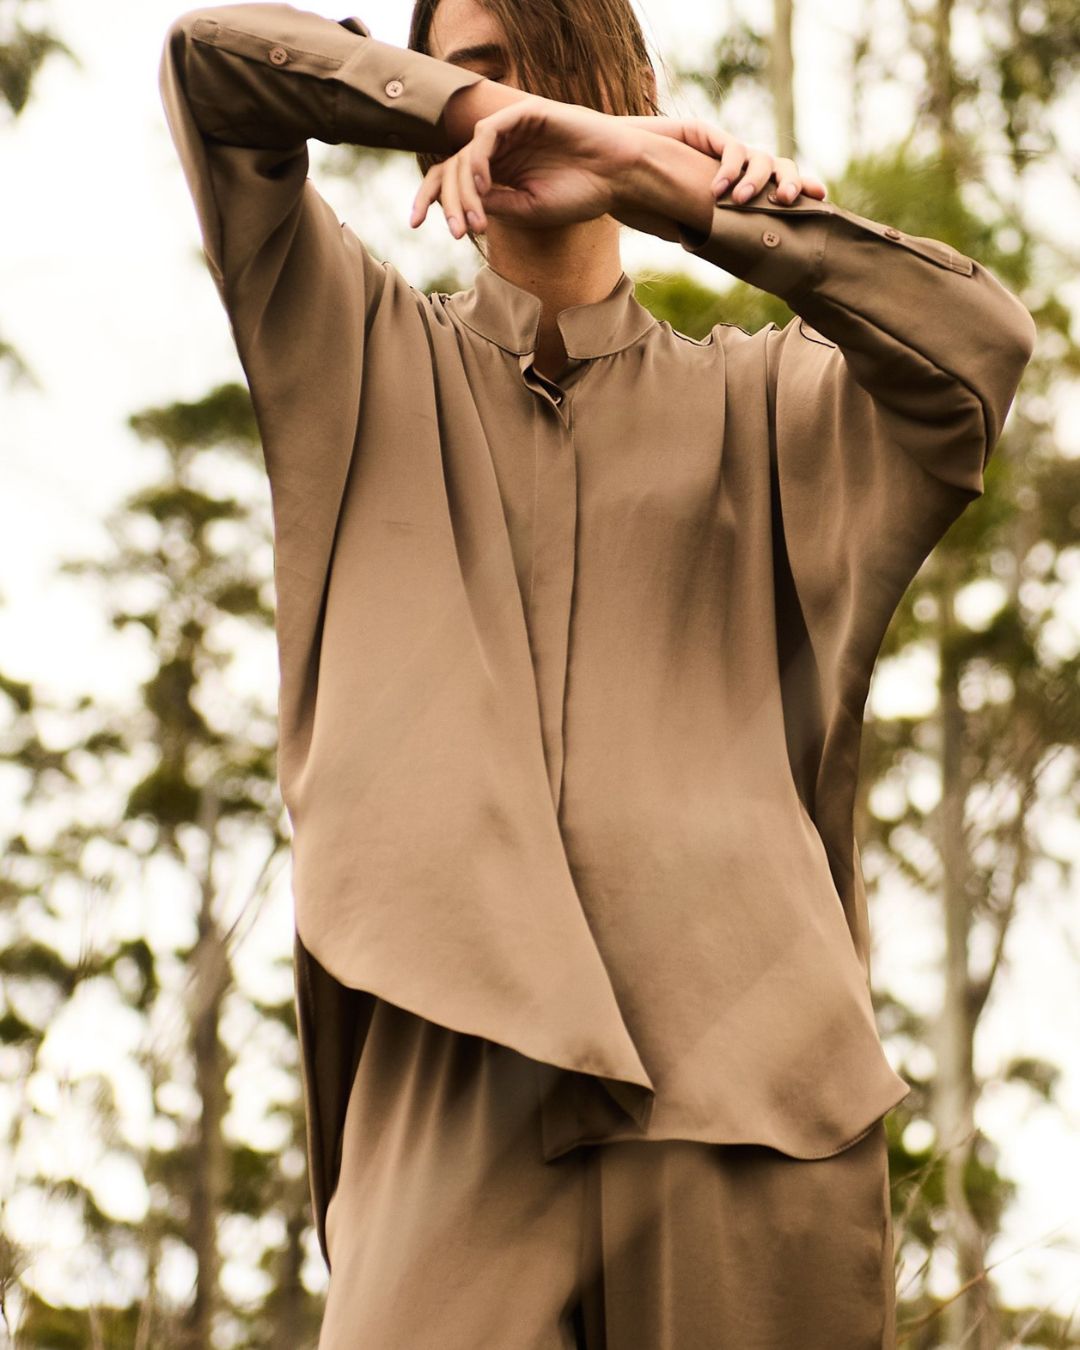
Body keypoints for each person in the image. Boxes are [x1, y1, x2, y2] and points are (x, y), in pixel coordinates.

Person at [158, 2, 1037, 1345]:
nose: (498, 107)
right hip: (449, 1075)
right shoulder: (352, 350)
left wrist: (665, 185)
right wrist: (445, 111)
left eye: (520, 73)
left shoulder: (771, 403)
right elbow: (211, 67)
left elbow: (978, 350)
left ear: (620, 86)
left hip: (750, 1090)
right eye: (459, 77)